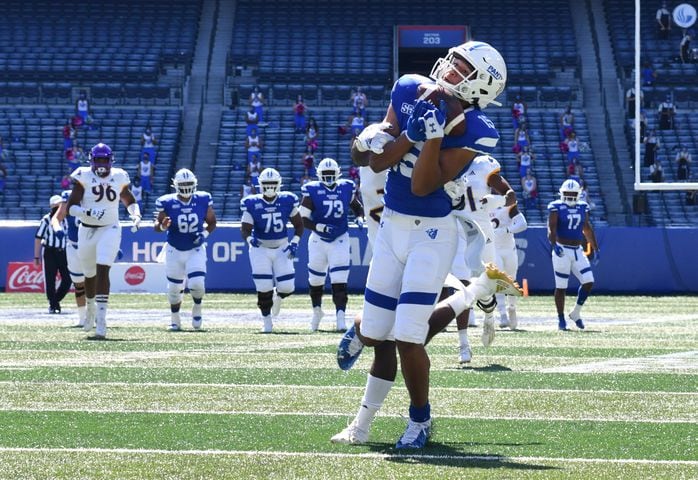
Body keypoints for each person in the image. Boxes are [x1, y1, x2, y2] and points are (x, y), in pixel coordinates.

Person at [335, 41, 517, 449]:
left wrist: (431, 137)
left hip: (432, 233)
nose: (450, 68)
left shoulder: (477, 129)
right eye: (453, 60)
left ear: (480, 86)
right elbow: (373, 162)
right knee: (378, 332)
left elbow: (420, 185)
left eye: (462, 67)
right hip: (391, 229)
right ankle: (362, 361)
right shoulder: (408, 88)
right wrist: (403, 132)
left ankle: (419, 420)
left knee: (408, 336)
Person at [67, 143, 142, 339]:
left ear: (110, 161)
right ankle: (90, 309)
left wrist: (136, 214)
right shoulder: (83, 176)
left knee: (103, 268)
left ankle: (102, 320)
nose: (101, 164)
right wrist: (88, 211)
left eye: (104, 160)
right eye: (98, 159)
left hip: (110, 228)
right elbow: (71, 208)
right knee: (89, 275)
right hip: (86, 230)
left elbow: (129, 199)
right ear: (92, 160)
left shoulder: (119, 176)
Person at [300, 158, 364, 332]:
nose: (328, 177)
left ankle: (340, 317)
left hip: (340, 238)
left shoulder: (346, 187)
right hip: (318, 240)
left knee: (339, 279)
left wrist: (359, 217)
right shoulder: (312, 190)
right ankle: (317, 311)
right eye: (325, 174)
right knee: (315, 279)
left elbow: (356, 206)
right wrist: (318, 226)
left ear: (337, 173)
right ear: (319, 174)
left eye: (331, 174)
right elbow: (302, 219)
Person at [240, 168, 303, 333]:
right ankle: (267, 322)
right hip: (260, 248)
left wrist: (295, 242)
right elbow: (245, 229)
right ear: (260, 184)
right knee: (263, 286)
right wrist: (249, 239)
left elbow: (299, 225)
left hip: (282, 247)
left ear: (279, 184)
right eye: (266, 184)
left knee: (288, 287)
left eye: (272, 184)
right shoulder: (252, 203)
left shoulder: (287, 200)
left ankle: (279, 296)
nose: (269, 187)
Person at [154, 169, 217, 331]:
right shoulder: (167, 202)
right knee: (174, 289)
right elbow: (157, 226)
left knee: (197, 284)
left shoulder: (203, 199)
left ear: (194, 184)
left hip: (195, 249)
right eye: (183, 184)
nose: (186, 187)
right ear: (176, 185)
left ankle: (197, 306)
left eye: (189, 184)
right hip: (174, 248)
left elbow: (212, 222)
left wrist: (203, 234)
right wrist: (163, 226)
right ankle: (175, 320)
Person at [547, 179, 599, 331]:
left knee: (589, 281)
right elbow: (551, 229)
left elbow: (587, 229)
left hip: (577, 250)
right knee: (561, 286)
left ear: (579, 194)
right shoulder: (556, 207)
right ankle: (561, 318)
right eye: (567, 194)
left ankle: (575, 313)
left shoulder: (583, 207)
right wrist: (554, 245)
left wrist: (595, 248)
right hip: (562, 250)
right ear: (561, 193)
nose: (569, 197)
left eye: (572, 194)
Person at [53, 189, 87, 327]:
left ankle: (96, 315)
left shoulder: (94, 193)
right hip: (74, 246)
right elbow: (57, 218)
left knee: (94, 283)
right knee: (79, 284)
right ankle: (82, 317)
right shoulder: (67, 196)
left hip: (91, 245)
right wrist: (57, 229)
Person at [34, 195, 71, 314]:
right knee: (50, 280)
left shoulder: (65, 219)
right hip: (49, 251)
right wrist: (36, 256)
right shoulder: (46, 219)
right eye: (57, 205)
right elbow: (38, 238)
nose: (59, 207)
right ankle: (53, 304)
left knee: (67, 279)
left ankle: (55, 301)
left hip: (63, 252)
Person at [491, 206, 526, 329]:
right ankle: (502, 314)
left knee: (511, 280)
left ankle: (511, 308)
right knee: (499, 280)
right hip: (494, 248)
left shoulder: (509, 207)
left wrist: (507, 230)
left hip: (509, 248)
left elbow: (523, 224)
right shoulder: (485, 203)